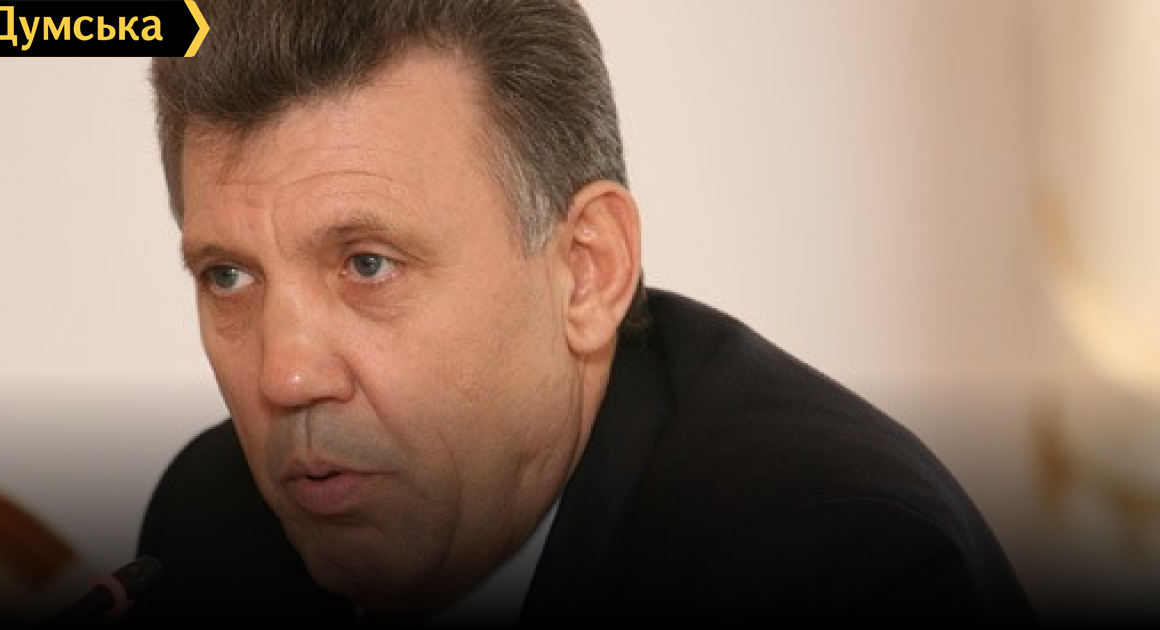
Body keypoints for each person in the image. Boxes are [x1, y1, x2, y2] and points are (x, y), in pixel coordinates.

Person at [121, 0, 1037, 626]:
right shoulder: (212, 525)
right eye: (228, 277)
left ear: (587, 273)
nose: (285, 374)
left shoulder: (840, 569)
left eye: (368, 264)